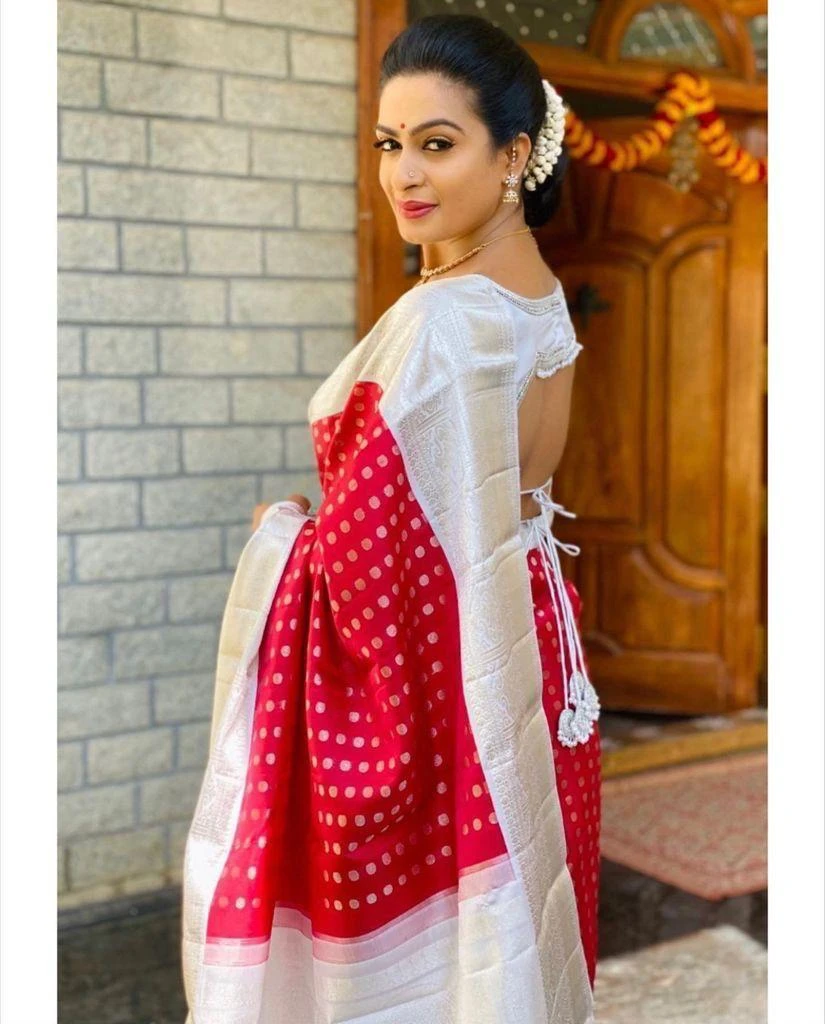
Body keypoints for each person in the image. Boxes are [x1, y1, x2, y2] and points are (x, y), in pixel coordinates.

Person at [181, 14, 600, 1024]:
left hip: (450, 654)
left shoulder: (442, 319)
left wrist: (281, 534)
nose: (403, 175)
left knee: (432, 961)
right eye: (389, 143)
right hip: (530, 634)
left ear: (513, 154)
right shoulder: (536, 294)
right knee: (513, 914)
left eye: (437, 144)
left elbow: (364, 565)